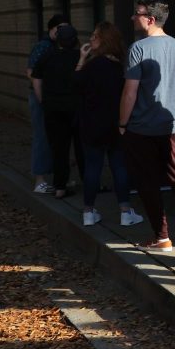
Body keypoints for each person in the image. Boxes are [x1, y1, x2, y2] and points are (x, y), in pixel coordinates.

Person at [117, 0, 175, 252]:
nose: (133, 18)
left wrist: (122, 123)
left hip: (141, 127)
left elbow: (129, 92)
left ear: (151, 19)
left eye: (137, 14)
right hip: (171, 125)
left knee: (147, 181)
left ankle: (162, 236)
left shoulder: (138, 48)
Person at [75, 22, 141, 227]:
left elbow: (75, 85)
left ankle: (88, 211)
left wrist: (81, 59)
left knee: (92, 167)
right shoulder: (120, 67)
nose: (91, 39)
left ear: (105, 40)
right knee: (119, 166)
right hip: (116, 123)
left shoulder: (91, 66)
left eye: (95, 36)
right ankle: (125, 211)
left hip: (92, 124)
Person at [31, 23, 82, 198]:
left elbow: (36, 79)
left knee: (59, 148)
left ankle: (60, 186)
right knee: (81, 146)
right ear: (75, 40)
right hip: (76, 108)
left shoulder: (46, 56)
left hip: (52, 108)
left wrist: (42, 101)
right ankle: (89, 182)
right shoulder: (80, 57)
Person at [28, 14, 67, 193]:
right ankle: (40, 179)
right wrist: (43, 98)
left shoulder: (56, 47)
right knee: (42, 136)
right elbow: (31, 73)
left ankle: (50, 178)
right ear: (51, 29)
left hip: (50, 97)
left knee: (53, 138)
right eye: (58, 28)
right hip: (41, 97)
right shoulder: (43, 47)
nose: (61, 32)